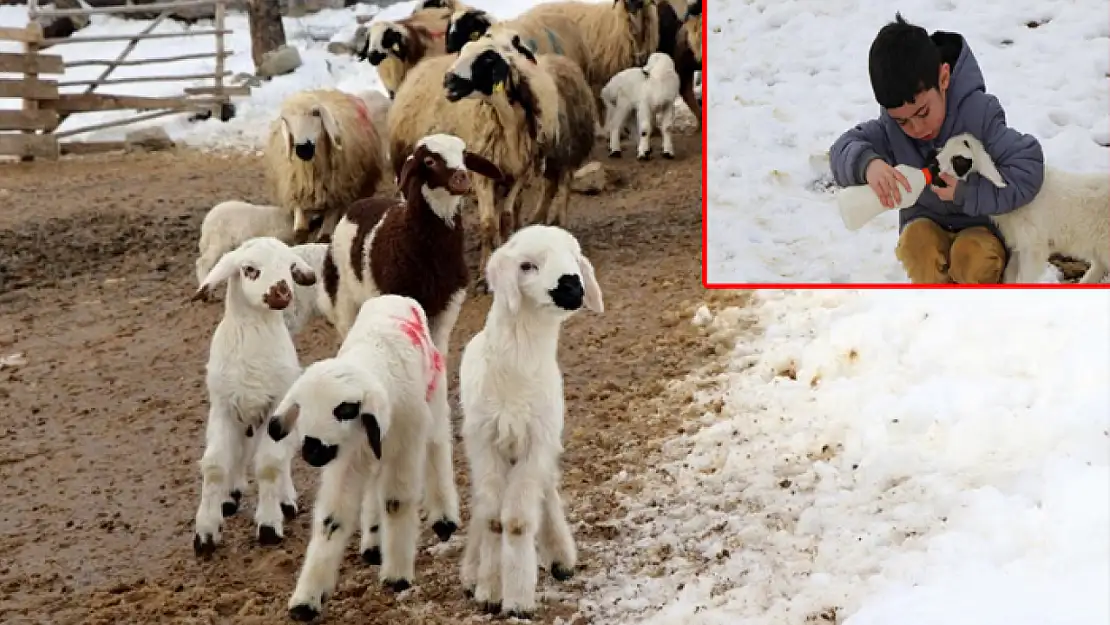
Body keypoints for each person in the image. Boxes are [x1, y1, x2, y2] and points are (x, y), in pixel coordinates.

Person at [829, 13, 1045, 284]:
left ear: (943, 79)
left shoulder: (979, 115)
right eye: (903, 120)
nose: (916, 128)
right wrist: (868, 164)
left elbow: (1029, 167)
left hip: (980, 228)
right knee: (916, 245)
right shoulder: (890, 129)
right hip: (926, 222)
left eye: (923, 112)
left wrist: (966, 192)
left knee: (972, 257)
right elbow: (841, 149)